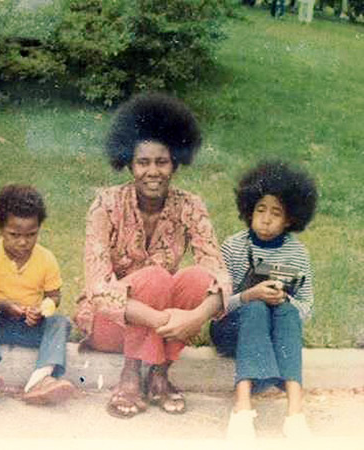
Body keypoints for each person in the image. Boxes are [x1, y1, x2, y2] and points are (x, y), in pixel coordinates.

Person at [73, 93, 231, 419]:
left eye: (162, 162)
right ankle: (132, 374)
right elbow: (99, 291)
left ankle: (159, 374)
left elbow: (219, 274)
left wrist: (196, 317)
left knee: (198, 279)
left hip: (166, 325)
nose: (153, 172)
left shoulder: (190, 205)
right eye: (143, 162)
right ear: (129, 164)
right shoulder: (106, 205)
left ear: (175, 163)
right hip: (112, 324)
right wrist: (161, 320)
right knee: (157, 276)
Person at [210, 161, 317, 439]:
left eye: (276, 212)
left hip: (274, 330)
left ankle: (295, 413)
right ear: (249, 210)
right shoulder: (234, 246)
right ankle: (242, 408)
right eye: (260, 210)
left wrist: (285, 300)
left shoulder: (297, 254)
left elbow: (306, 308)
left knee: (288, 312)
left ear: (290, 219)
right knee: (256, 307)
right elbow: (217, 306)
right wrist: (249, 295)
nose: (266, 219)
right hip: (231, 329)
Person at [0, 185, 75, 405]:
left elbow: (54, 296)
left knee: (60, 322)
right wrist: (2, 304)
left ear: (39, 229)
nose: (23, 242)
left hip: (27, 325)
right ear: (0, 229)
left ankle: (41, 380)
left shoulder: (46, 259)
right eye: (14, 234)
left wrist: (42, 309)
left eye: (31, 234)